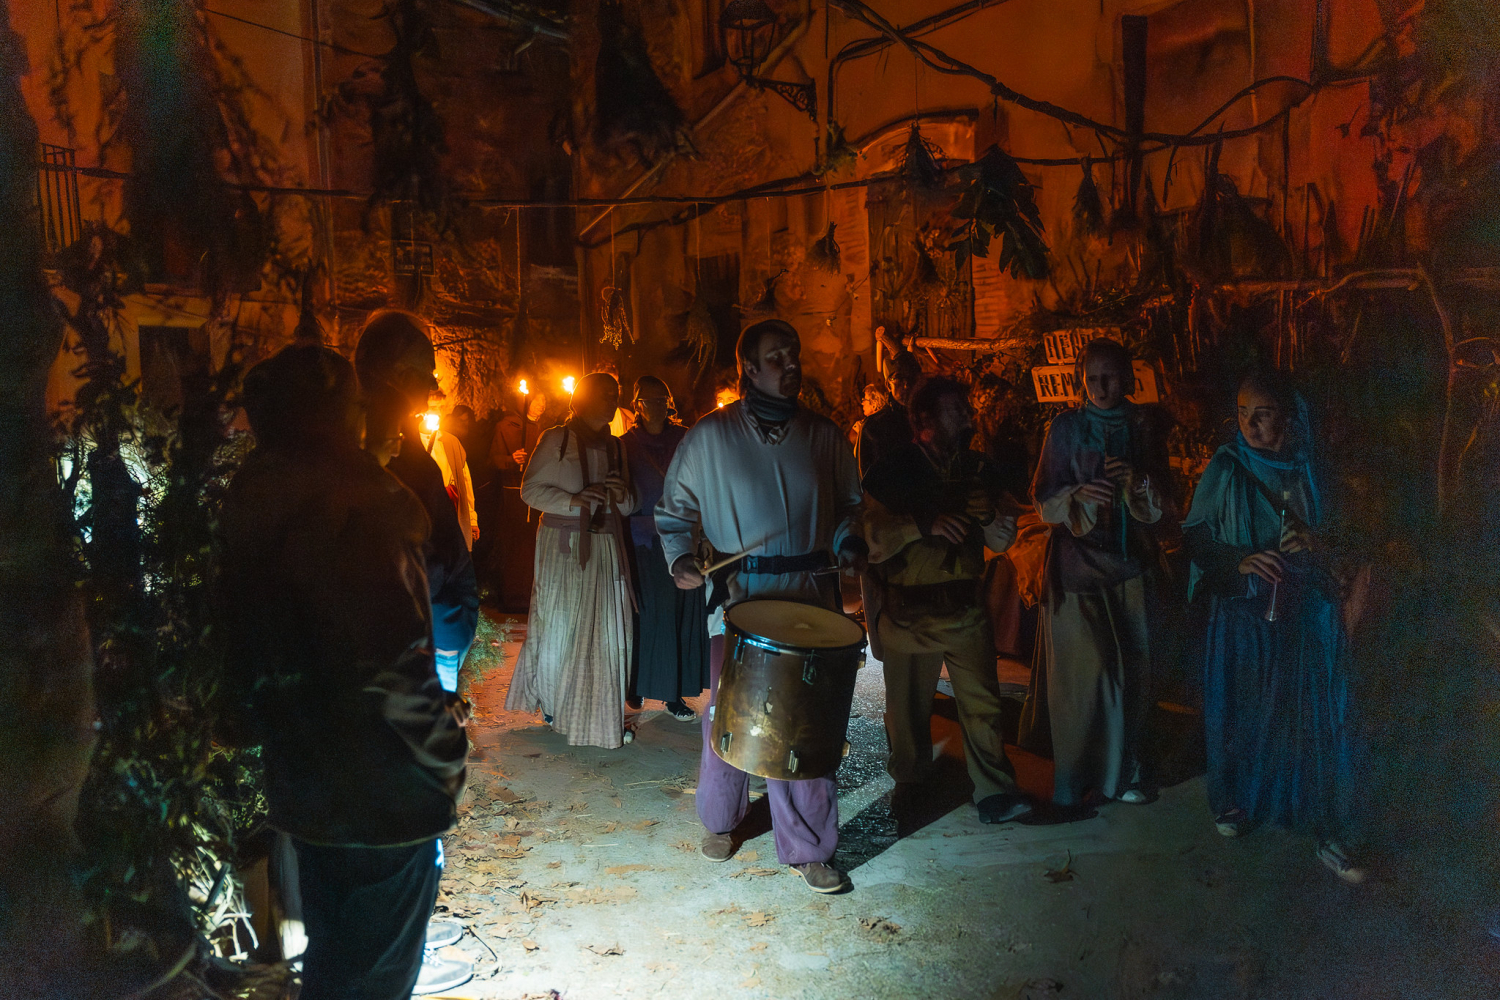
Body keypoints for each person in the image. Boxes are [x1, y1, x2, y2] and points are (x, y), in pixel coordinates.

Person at [220, 345, 470, 999]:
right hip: (381, 791)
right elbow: (391, 664)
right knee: (372, 976)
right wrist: (445, 752)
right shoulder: (361, 506)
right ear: (335, 416)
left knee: (335, 961)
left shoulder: (256, 495)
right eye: (357, 404)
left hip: (307, 782)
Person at [657, 319, 866, 894]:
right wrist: (680, 559)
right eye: (777, 357)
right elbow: (674, 513)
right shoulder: (709, 437)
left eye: (793, 355)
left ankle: (810, 847)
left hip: (809, 596)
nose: (791, 365)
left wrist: (849, 542)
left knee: (805, 721)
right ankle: (721, 820)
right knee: (729, 713)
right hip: (739, 599)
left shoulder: (825, 436)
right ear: (748, 368)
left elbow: (850, 506)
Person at [1182, 368, 1365, 882]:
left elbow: (1346, 538)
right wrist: (1240, 560)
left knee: (1310, 716)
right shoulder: (1228, 466)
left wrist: (1317, 544)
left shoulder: (1310, 469)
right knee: (1246, 711)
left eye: (1262, 415)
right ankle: (1240, 800)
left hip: (1303, 614)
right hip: (1245, 615)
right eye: (1243, 413)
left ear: (1288, 417)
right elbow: (1195, 536)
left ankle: (1323, 820)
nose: (1250, 425)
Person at [862, 377, 1032, 825]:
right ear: (925, 420)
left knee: (983, 705)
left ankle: (994, 792)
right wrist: (923, 525)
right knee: (906, 708)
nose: (968, 417)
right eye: (956, 410)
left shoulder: (979, 469)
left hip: (965, 608)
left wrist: (989, 515)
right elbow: (870, 540)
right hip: (907, 609)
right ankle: (911, 783)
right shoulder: (892, 470)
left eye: (965, 408)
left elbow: (1001, 539)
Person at [1025, 338, 1166, 807]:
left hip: (1130, 560)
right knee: (1092, 674)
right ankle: (1078, 774)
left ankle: (1125, 770)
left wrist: (1137, 484)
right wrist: (1078, 495)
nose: (1101, 387)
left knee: (1136, 669)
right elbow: (1044, 497)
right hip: (1077, 564)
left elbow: (1164, 495)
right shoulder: (1067, 427)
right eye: (1092, 378)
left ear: (1127, 379)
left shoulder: (1143, 425)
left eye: (1110, 377)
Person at [504, 373, 639, 749]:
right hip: (564, 547)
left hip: (606, 545)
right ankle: (555, 705)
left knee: (606, 628)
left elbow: (629, 505)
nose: (612, 400)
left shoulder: (616, 446)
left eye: (615, 393)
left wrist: (621, 495)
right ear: (582, 399)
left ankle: (599, 710)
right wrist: (574, 501)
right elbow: (530, 490)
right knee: (561, 624)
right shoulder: (557, 439)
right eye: (604, 393)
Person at [354, 310, 479, 695]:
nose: (434, 384)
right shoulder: (374, 445)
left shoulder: (401, 436)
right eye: (428, 371)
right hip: (419, 641)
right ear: (398, 373)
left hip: (436, 628)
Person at [620, 376, 708, 721]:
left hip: (683, 536)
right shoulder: (624, 444)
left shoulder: (685, 437)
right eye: (649, 400)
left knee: (679, 615)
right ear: (637, 405)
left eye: (662, 400)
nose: (656, 406)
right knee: (646, 614)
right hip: (642, 539)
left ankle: (673, 693)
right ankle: (638, 684)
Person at [487, 390, 552, 610]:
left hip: (538, 497)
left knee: (534, 545)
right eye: (537, 399)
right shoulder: (505, 426)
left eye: (544, 400)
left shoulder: (547, 429)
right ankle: (513, 597)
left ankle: (531, 596)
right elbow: (493, 459)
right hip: (513, 495)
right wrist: (511, 459)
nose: (541, 404)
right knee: (515, 545)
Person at [856, 349, 922, 478]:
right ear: (888, 385)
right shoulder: (873, 426)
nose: (906, 385)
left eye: (910, 379)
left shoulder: (927, 418)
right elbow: (867, 478)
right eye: (899, 378)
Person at [420, 409, 479, 551]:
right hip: (424, 511)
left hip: (451, 510)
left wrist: (472, 519)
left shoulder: (451, 442)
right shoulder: (412, 443)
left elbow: (465, 482)